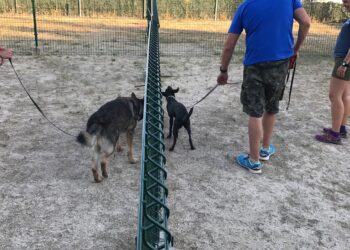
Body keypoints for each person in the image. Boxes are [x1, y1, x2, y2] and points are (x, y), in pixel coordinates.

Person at [217, 0, 310, 173]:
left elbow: (229, 45)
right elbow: (305, 22)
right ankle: (265, 149)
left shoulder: (245, 6)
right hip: (281, 62)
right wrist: (295, 49)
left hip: (254, 65)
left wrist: (223, 71)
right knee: (271, 107)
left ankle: (253, 161)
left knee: (255, 112)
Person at [315, 0, 350, 145]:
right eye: (343, 2)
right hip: (345, 61)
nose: (344, 5)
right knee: (344, 95)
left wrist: (344, 63)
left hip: (345, 61)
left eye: (347, 2)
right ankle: (340, 128)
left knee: (334, 95)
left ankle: (334, 134)